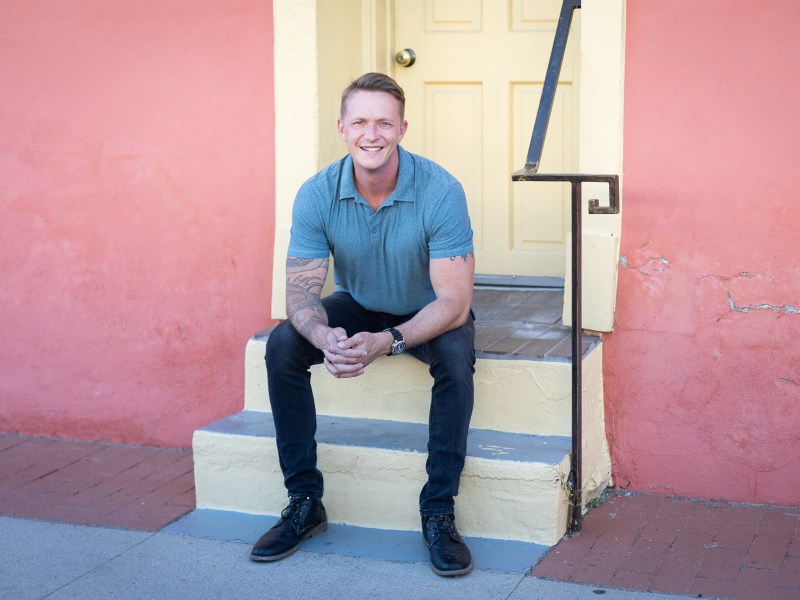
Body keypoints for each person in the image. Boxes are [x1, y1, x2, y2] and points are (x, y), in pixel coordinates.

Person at [249, 72, 476, 577]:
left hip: (426, 309)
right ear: (341, 128)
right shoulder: (316, 193)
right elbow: (301, 293)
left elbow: (454, 304)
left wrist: (389, 342)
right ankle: (305, 502)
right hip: (360, 302)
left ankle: (438, 510)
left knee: (457, 359)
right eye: (359, 122)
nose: (371, 134)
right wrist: (321, 334)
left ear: (402, 128)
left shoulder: (440, 190)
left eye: (383, 123)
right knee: (284, 344)